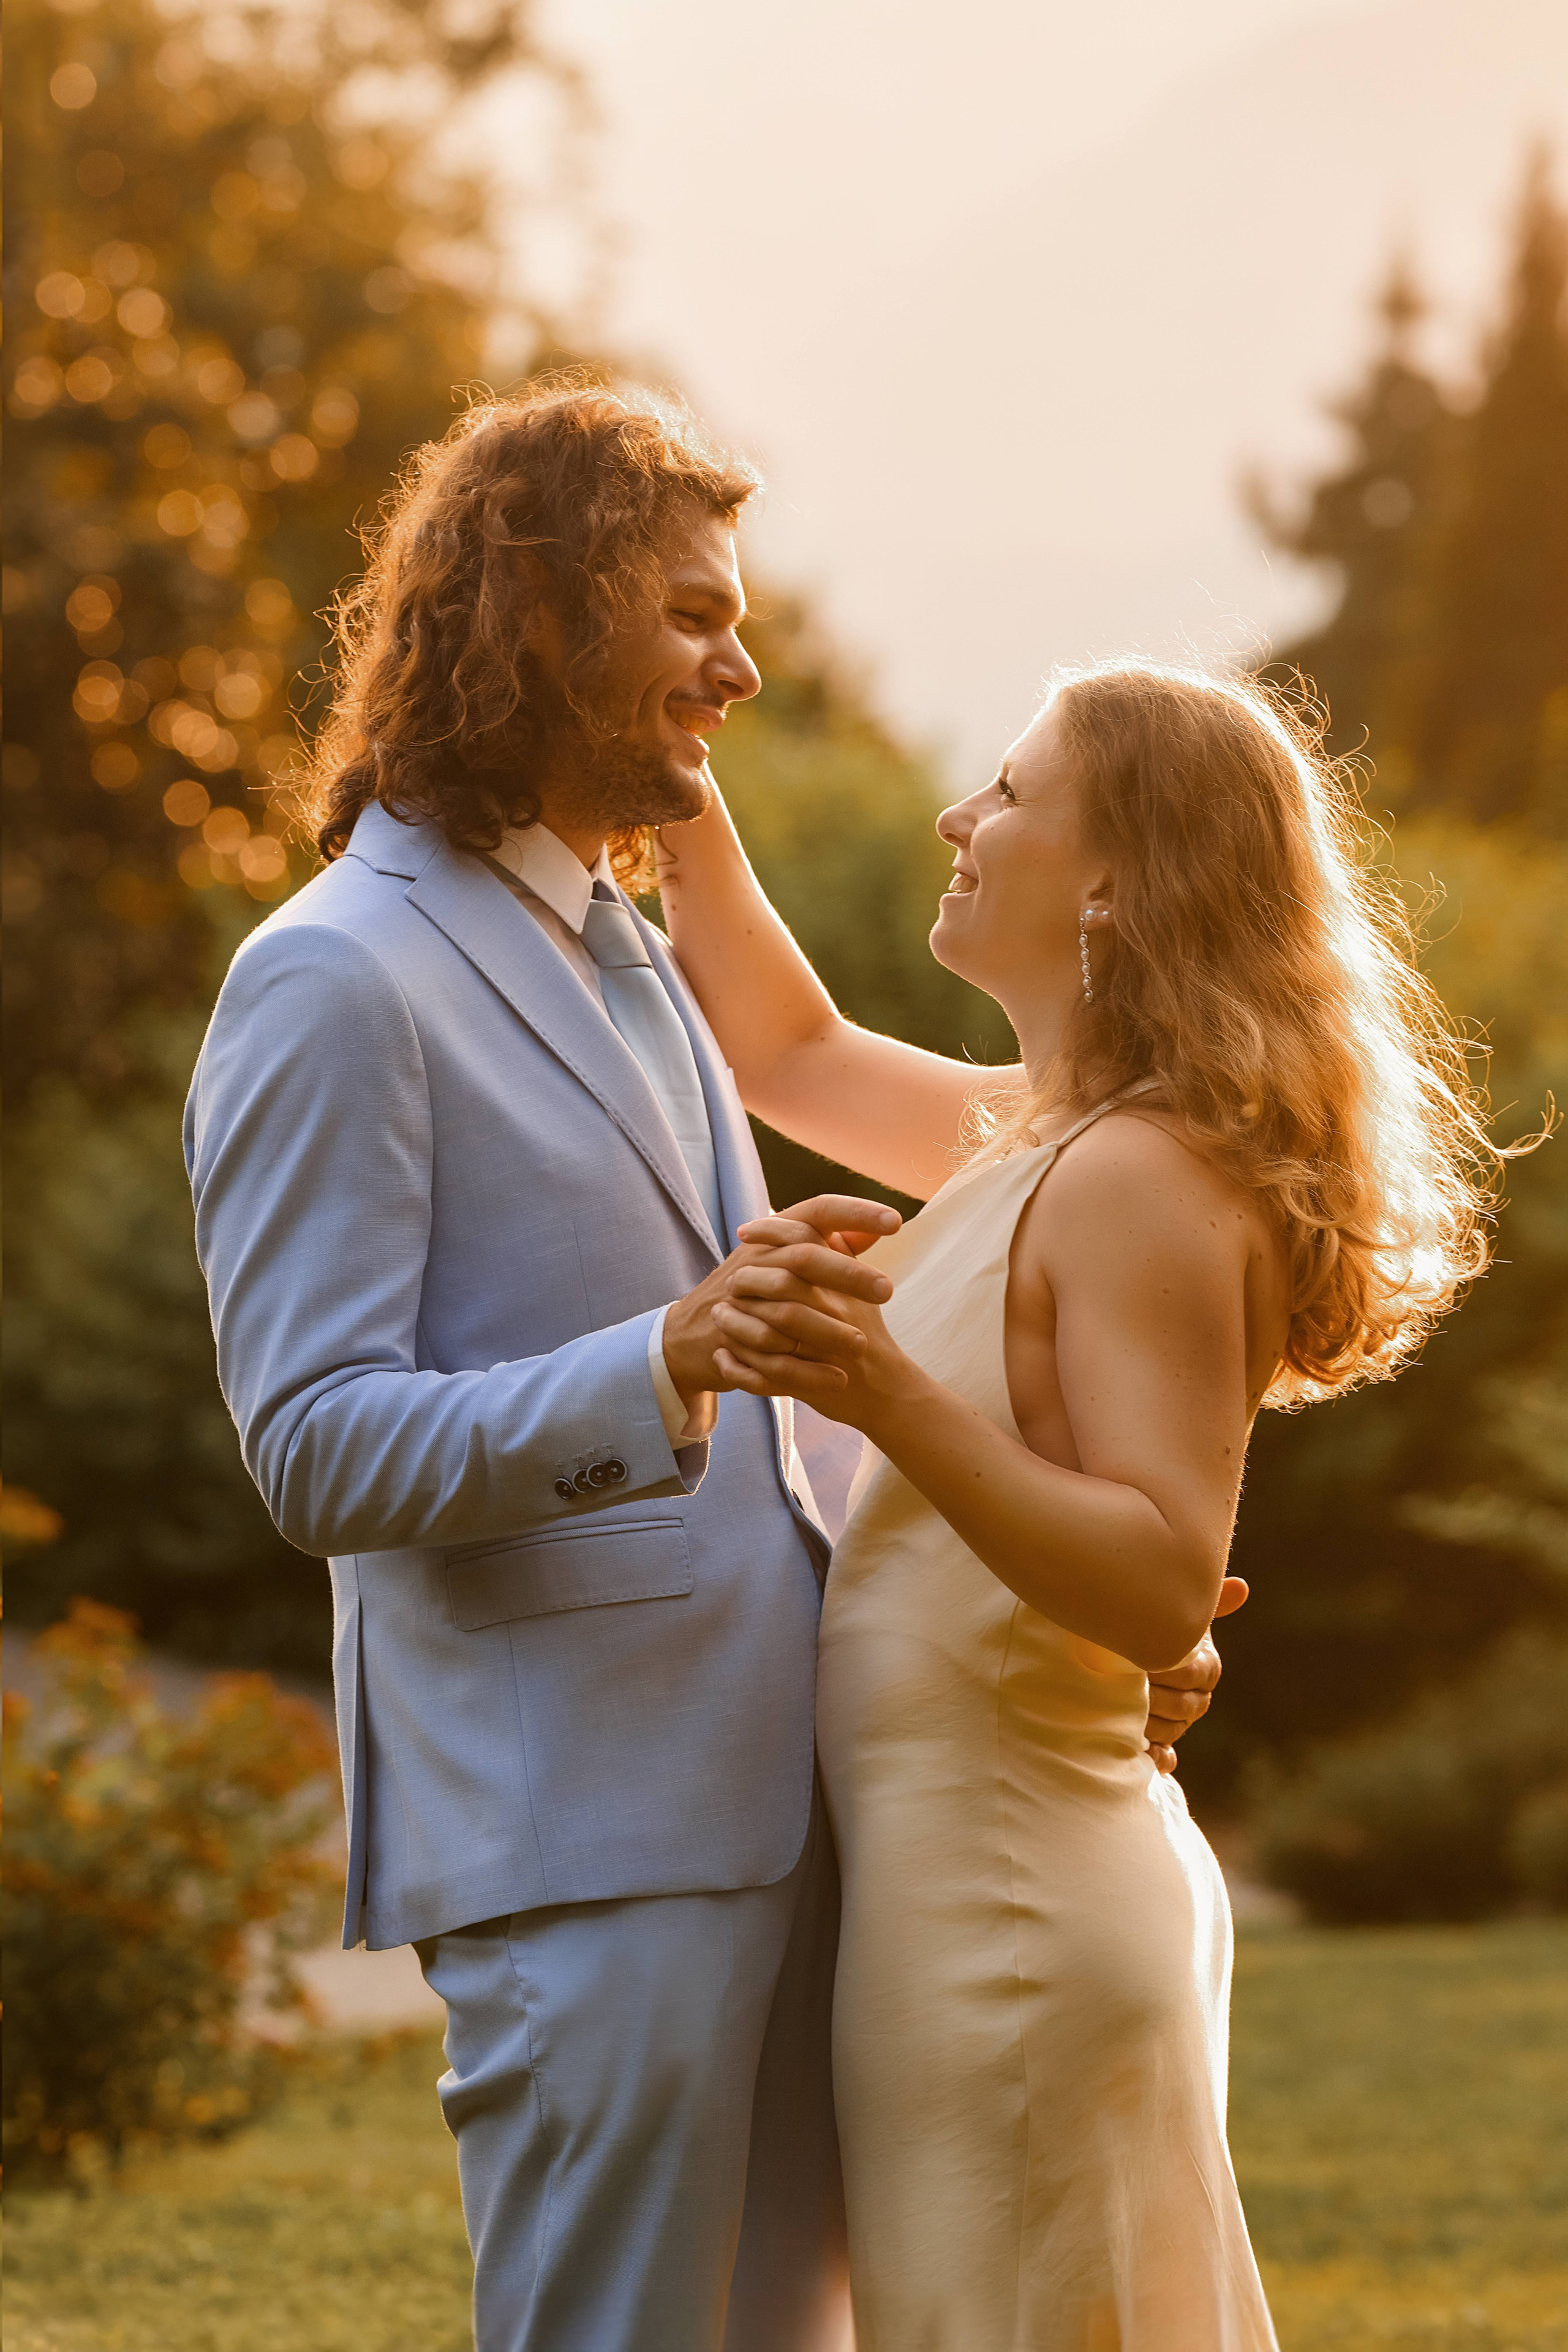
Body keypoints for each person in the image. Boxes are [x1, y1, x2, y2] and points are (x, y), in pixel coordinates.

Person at [183, 385, 1226, 2352]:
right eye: (688, 617)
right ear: (540, 613)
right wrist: (662, 1356)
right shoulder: (334, 976)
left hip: (805, 1811)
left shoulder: (631, 954)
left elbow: (796, 1415)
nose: (741, 667)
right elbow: (315, 1450)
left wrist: (1055, 1630)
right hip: (588, 1835)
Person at [654, 662, 1496, 2349]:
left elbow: (1164, 1580)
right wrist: (664, 756)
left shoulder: (1142, 1175)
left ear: (1120, 881)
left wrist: (879, 1387)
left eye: (1013, 795)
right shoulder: (1050, 1137)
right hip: (973, 1885)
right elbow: (784, 1046)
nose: (960, 821)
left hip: (1013, 1909)